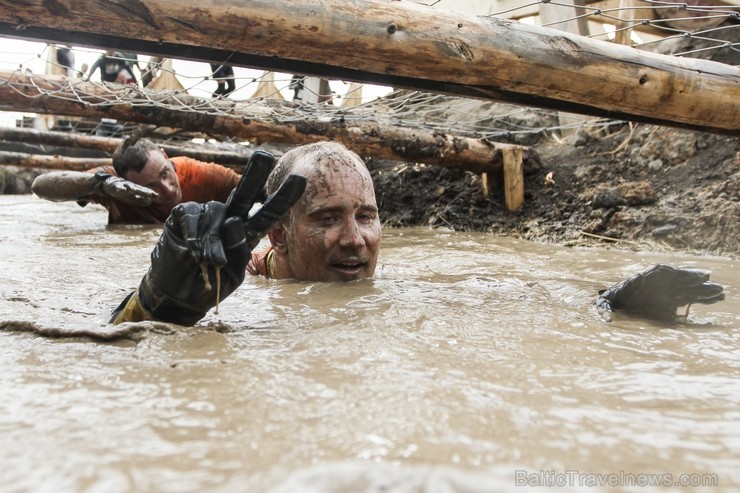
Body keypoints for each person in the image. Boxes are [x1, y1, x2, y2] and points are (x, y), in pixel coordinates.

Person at [110, 141, 724, 326]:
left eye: (366, 216)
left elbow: (496, 302)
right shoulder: (232, 284)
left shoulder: (386, 288)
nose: (355, 239)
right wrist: (160, 305)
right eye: (326, 218)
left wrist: (609, 303)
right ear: (280, 236)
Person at [31, 136, 242, 224]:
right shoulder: (112, 185)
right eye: (150, 187)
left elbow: (257, 189)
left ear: (165, 156)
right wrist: (102, 184)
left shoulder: (198, 173)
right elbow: (40, 186)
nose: (168, 190)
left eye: (165, 173)